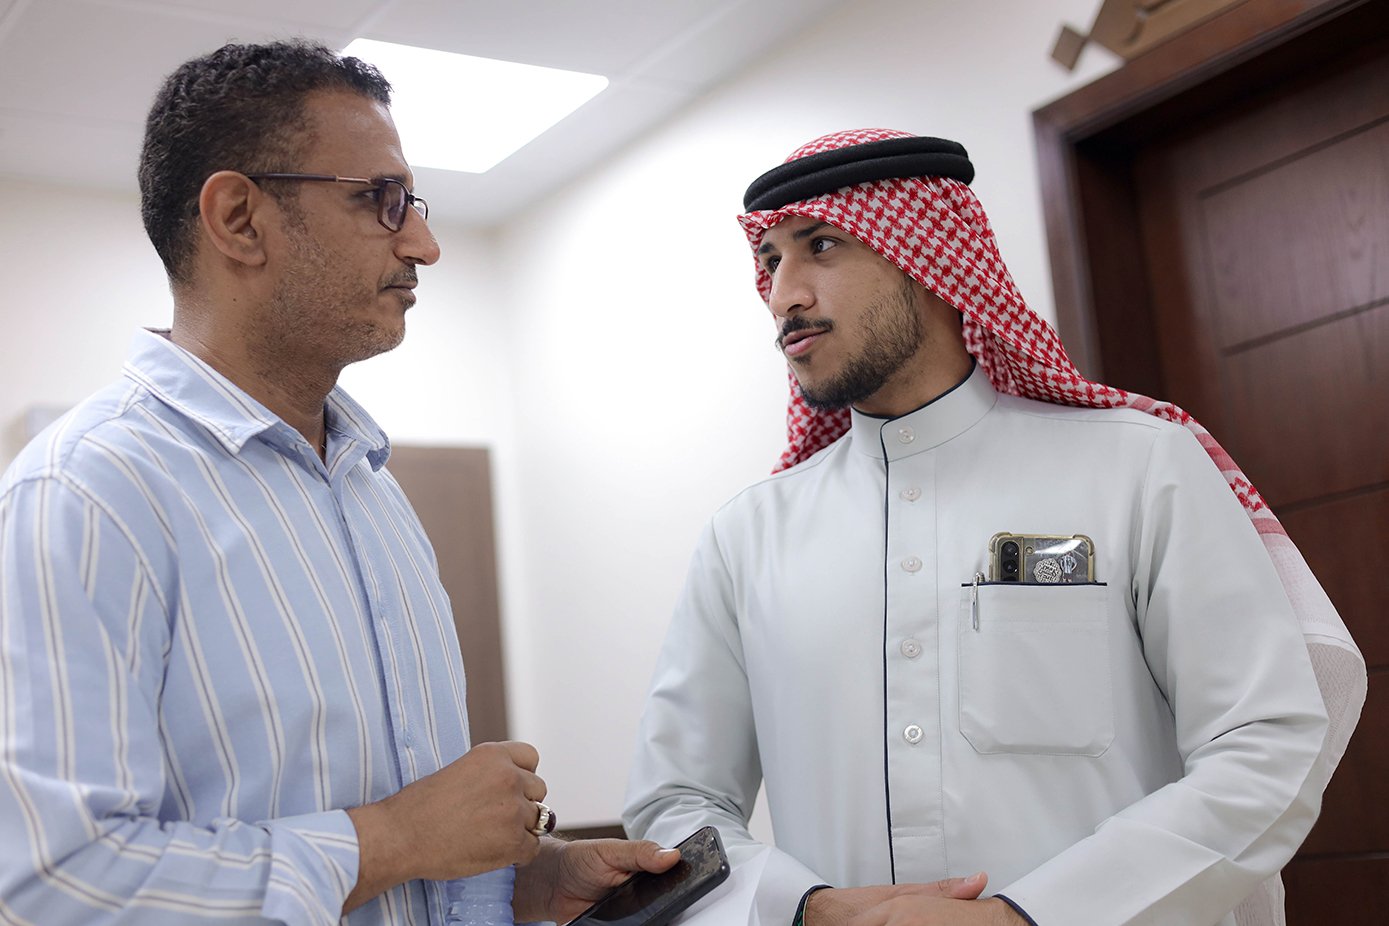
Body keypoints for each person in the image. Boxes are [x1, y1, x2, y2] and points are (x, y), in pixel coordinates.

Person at [0, 41, 678, 925]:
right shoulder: (88, 493)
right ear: (240, 220)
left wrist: (524, 879)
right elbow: (52, 880)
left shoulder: (369, 489)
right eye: (379, 199)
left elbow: (414, 840)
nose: (424, 245)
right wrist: (391, 839)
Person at [623, 129, 1364, 925]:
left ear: (926, 253)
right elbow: (675, 802)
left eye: (821, 245)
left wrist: (1028, 915)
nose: (782, 296)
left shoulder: (1136, 465)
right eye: (769, 260)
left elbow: (1265, 743)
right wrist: (806, 910)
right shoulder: (746, 537)